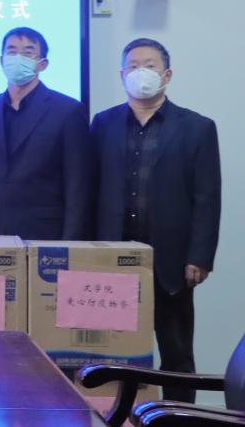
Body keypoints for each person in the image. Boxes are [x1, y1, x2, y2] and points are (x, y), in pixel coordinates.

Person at [92, 38, 220, 402]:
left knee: (176, 355)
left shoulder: (197, 127)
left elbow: (207, 197)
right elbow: (91, 188)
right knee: (111, 353)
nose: (140, 73)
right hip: (111, 258)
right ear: (122, 75)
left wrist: (199, 256)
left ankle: (180, 419)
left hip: (172, 262)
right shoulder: (102, 124)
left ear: (167, 75)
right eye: (133, 66)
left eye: (149, 65)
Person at [0, 27, 92, 239]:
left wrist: (71, 243)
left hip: (45, 235)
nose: (18, 58)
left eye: (28, 52)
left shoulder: (68, 111)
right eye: (12, 51)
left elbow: (77, 186)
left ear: (42, 64)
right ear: (1, 60)